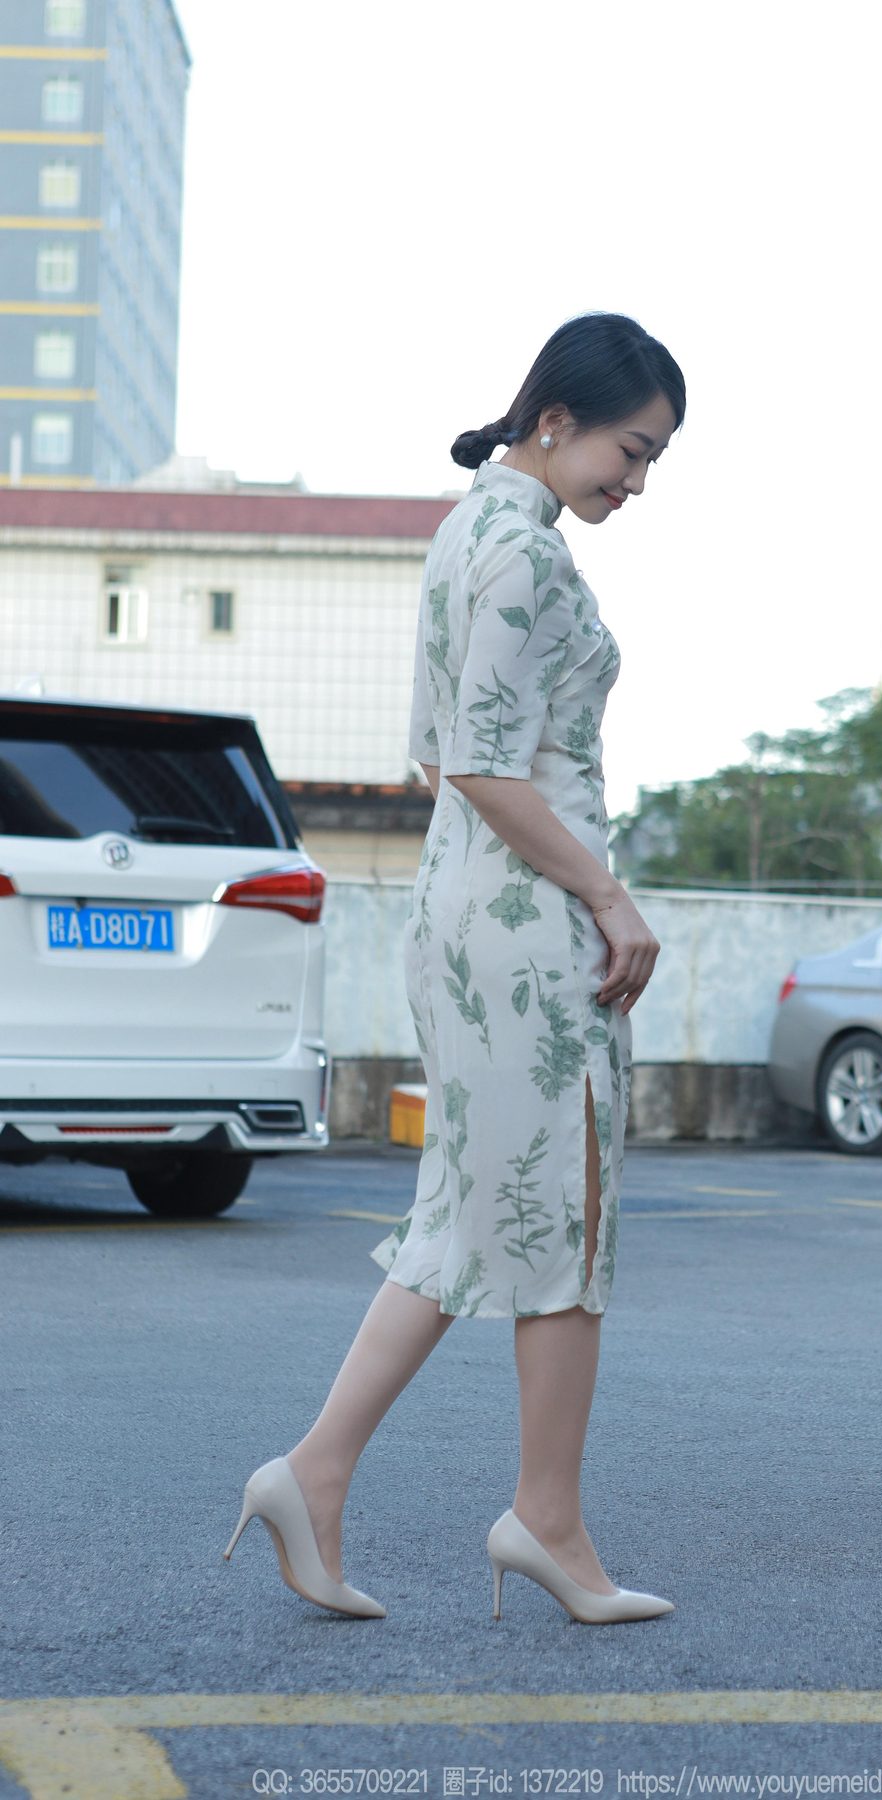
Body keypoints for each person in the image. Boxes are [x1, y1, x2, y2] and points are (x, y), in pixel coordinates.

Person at [223, 311, 686, 1625]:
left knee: (473, 1214)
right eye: (631, 451)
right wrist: (607, 895)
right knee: (566, 1214)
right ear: (559, 418)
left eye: (652, 462)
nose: (638, 483)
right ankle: (546, 1521)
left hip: (469, 909)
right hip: (532, 924)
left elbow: (440, 757)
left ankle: (315, 1474)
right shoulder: (522, 552)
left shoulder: (467, 529)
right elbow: (481, 765)